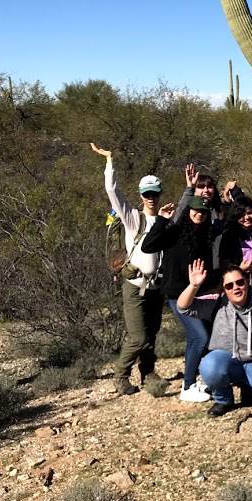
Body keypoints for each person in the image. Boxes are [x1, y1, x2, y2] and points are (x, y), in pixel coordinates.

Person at [90, 143, 165, 396]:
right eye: (147, 194)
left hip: (156, 285)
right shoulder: (133, 218)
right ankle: (121, 376)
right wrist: (109, 161)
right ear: (141, 195)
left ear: (160, 193)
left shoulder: (164, 219)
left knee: (152, 334)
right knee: (138, 337)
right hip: (135, 286)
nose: (151, 198)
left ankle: (148, 371)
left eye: (155, 193)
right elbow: (112, 190)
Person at [179, 261, 252, 417]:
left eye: (240, 282)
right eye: (229, 286)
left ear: (247, 281)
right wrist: (193, 286)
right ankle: (223, 400)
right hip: (225, 361)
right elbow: (183, 307)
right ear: (224, 289)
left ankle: (249, 387)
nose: (236, 288)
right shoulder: (216, 302)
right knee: (209, 365)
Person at [141, 195, 216, 403]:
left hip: (197, 293)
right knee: (200, 337)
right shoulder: (174, 232)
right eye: (195, 210)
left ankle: (195, 381)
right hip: (176, 294)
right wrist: (162, 220)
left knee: (197, 337)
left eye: (203, 212)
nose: (198, 214)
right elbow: (147, 246)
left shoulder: (205, 235)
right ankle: (188, 385)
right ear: (188, 211)